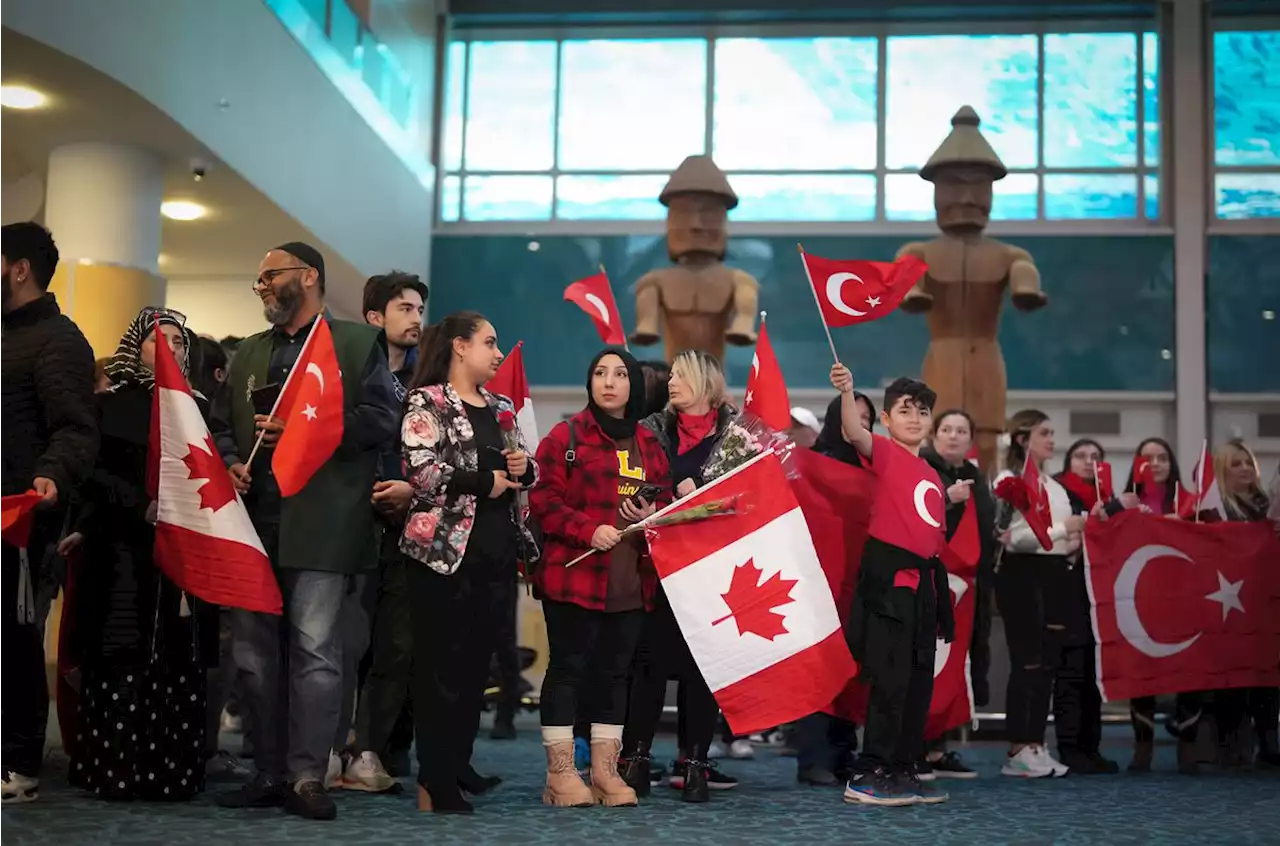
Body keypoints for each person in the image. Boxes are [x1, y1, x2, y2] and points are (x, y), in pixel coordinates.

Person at [211, 243, 400, 821]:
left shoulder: (354, 343)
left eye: (271, 275)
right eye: (259, 279)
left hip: (323, 519)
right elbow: (220, 428)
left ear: (308, 277)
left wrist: (307, 429)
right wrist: (231, 462)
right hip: (253, 522)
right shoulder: (248, 352)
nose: (262, 285)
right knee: (252, 654)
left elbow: (381, 420)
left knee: (317, 652)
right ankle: (268, 770)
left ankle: (307, 776)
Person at [65, 307, 214, 801]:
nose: (169, 349)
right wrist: (139, 504)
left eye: (178, 342)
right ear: (137, 347)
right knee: (121, 652)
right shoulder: (110, 406)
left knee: (177, 655)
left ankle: (171, 773)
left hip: (183, 555)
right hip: (122, 549)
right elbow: (92, 474)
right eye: (158, 340)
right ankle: (116, 770)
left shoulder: (197, 409)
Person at [399, 311, 538, 815]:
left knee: (478, 667)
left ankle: (458, 764)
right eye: (489, 342)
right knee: (441, 669)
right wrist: (485, 482)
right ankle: (435, 778)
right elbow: (419, 471)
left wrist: (526, 467)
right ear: (459, 346)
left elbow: (525, 463)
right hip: (442, 556)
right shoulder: (427, 402)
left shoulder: (501, 407)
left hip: (496, 553)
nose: (497, 354)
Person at [529, 348, 671, 807]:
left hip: (631, 582)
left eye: (619, 374)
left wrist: (650, 511)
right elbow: (543, 501)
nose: (609, 382)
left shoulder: (650, 444)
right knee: (568, 671)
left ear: (635, 385)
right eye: (599, 373)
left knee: (615, 677)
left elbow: (665, 503)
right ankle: (561, 775)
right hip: (574, 578)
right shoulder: (564, 436)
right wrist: (587, 529)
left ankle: (606, 774)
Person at [0, 221, 98, 805]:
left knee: (12, 641)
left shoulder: (59, 339)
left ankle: (17, 762)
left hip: (21, 519)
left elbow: (76, 427)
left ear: (19, 268)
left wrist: (52, 475)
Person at [620, 350, 742, 803]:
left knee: (701, 673)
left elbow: (749, 499)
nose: (671, 382)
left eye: (681, 375)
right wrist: (671, 496)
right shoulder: (651, 430)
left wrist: (709, 497)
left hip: (713, 573)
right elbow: (635, 483)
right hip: (662, 569)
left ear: (707, 382)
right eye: (670, 375)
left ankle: (694, 763)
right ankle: (635, 758)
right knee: (648, 668)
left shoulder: (737, 436)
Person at [829, 364, 951, 807]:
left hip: (924, 586)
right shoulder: (882, 450)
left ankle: (903, 767)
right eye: (905, 410)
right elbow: (851, 431)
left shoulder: (934, 474)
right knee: (891, 680)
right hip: (889, 585)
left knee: (919, 682)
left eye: (922, 410)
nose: (915, 417)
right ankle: (868, 772)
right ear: (885, 418)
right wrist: (847, 392)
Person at [341, 271, 427, 792]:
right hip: (349, 523)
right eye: (404, 308)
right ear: (375, 317)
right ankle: (330, 746)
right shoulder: (351, 374)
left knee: (396, 647)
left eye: (420, 308)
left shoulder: (428, 386)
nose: (416, 317)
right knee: (342, 645)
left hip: (405, 529)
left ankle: (370, 750)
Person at [790, 392, 876, 788]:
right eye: (850, 416)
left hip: (861, 585)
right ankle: (812, 759)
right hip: (817, 586)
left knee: (854, 670)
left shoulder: (878, 468)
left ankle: (844, 753)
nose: (858, 425)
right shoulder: (811, 465)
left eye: (865, 418)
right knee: (818, 673)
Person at [994, 410, 1083, 780]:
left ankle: (1035, 743)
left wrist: (1073, 539)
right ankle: (1017, 747)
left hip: (1054, 574)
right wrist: (1065, 528)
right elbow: (1012, 538)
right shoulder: (1008, 480)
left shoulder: (1058, 486)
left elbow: (1059, 538)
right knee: (1028, 663)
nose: (1052, 439)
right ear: (1021, 438)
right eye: (1043, 433)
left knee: (1047, 664)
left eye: (1052, 433)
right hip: (1022, 575)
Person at [1118, 436, 1204, 773]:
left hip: (1185, 597)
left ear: (1172, 464)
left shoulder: (1192, 502)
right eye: (1147, 458)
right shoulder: (1124, 502)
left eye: (1162, 458)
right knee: (1141, 672)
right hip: (1138, 598)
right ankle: (1143, 748)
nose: (1155, 464)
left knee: (1189, 670)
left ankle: (1188, 746)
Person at [919, 409, 996, 780]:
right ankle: (916, 747)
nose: (952, 436)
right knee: (927, 662)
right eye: (946, 429)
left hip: (969, 586)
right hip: (931, 580)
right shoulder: (922, 468)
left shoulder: (977, 478)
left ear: (970, 439)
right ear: (934, 435)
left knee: (956, 663)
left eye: (960, 430)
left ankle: (939, 748)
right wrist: (947, 500)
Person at [1211, 439, 1279, 769]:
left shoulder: (1270, 508)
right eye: (1235, 464)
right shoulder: (1217, 509)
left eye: (1248, 463)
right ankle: (1230, 742)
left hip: (1265, 601)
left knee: (1268, 671)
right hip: (1229, 603)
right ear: (1222, 471)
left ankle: (1269, 741)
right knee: (1234, 675)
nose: (1244, 470)